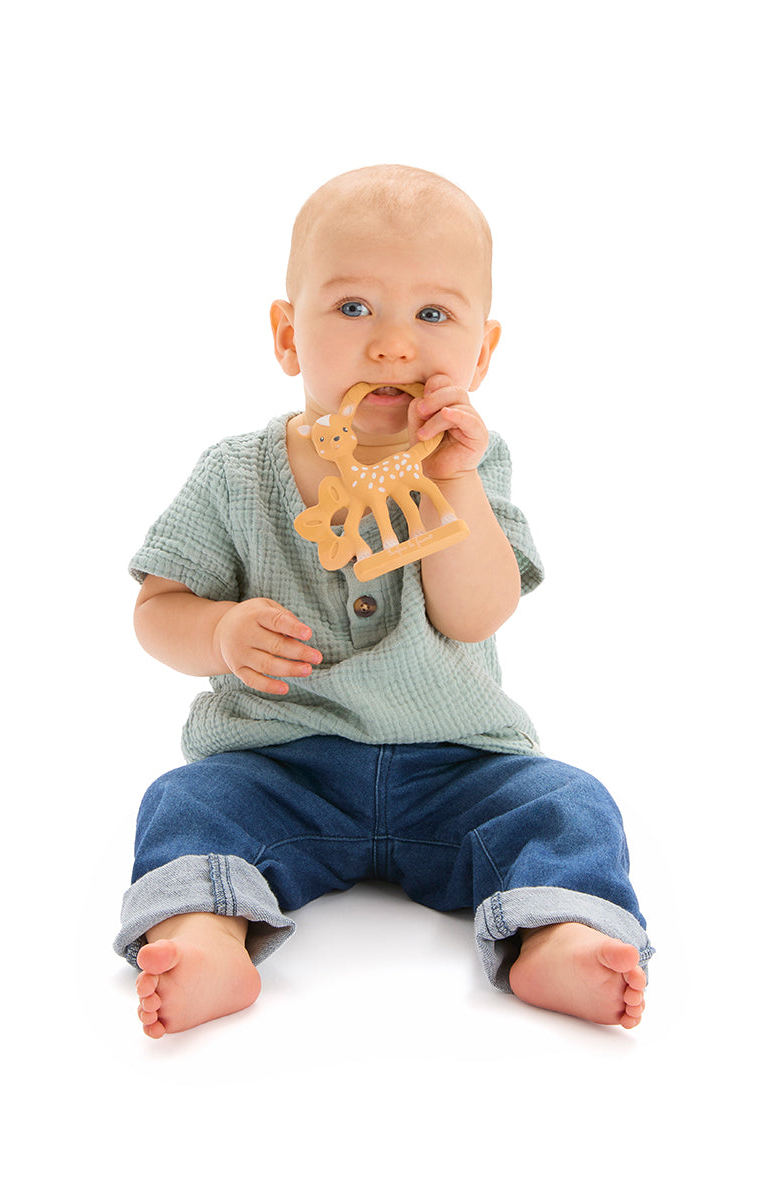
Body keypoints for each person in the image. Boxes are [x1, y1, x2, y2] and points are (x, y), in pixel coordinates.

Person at [115, 164, 653, 1037]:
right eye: (354, 307)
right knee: (187, 802)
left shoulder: (473, 465)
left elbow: (476, 615)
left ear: (482, 353)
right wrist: (218, 631)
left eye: (433, 315)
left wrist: (455, 485)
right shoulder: (235, 474)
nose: (394, 346)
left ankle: (556, 932)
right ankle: (205, 933)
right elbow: (156, 608)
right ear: (288, 336)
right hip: (279, 765)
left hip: (459, 768)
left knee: (568, 801)